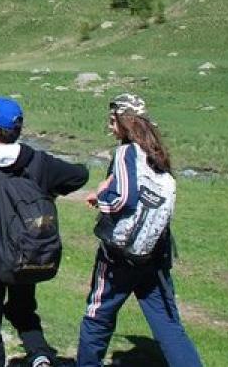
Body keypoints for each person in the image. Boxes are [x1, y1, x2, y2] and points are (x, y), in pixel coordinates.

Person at [0, 97, 89, 367]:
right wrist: (48, 192)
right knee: (23, 309)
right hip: (30, 251)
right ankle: (40, 355)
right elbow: (79, 175)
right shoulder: (39, 160)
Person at [76, 94, 202, 367]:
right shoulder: (157, 153)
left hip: (120, 255)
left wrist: (99, 198)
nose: (110, 127)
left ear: (125, 121)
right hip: (155, 253)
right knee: (168, 324)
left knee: (97, 316)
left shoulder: (126, 153)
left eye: (113, 120)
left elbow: (124, 198)